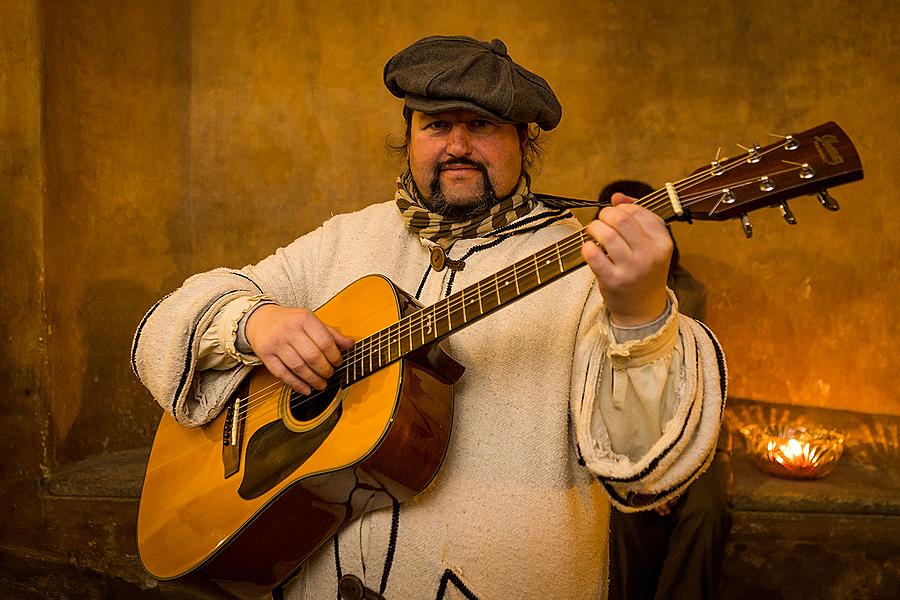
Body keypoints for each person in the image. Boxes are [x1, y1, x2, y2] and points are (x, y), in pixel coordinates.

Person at [132, 36, 726, 600]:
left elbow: (646, 471)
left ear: (523, 140)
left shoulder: (584, 265)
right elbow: (170, 321)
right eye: (437, 124)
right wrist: (251, 323)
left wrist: (639, 313)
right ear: (409, 134)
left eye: (482, 125)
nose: (458, 145)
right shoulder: (347, 239)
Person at [598, 180, 734, 600]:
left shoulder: (688, 291)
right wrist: (649, 473)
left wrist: (671, 467)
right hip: (615, 432)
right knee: (619, 515)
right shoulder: (591, 289)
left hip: (686, 430)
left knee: (708, 511)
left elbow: (691, 382)